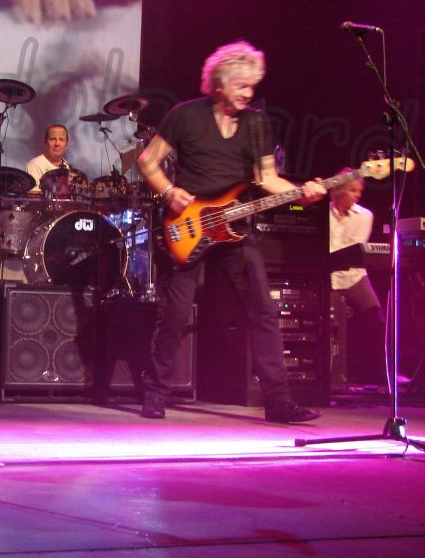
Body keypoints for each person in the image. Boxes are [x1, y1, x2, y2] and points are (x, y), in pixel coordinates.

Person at [136, 40, 326, 423]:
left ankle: (279, 402)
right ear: (219, 82)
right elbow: (147, 161)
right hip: (188, 226)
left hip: (235, 229)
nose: (248, 93)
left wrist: (300, 193)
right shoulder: (185, 115)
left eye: (252, 86)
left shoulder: (256, 123)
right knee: (174, 314)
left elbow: (266, 178)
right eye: (241, 85)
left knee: (263, 311)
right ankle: (155, 393)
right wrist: (170, 192)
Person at [329, 173, 387, 384]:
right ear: (338, 191)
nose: (358, 195)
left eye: (360, 191)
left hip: (354, 275)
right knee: (328, 324)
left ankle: (385, 373)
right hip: (327, 276)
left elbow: (354, 250)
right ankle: (330, 374)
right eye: (353, 190)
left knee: (377, 320)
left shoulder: (365, 215)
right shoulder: (323, 213)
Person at [25, 124, 73, 193]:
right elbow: (33, 196)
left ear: (66, 145)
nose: (57, 144)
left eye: (61, 139)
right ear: (46, 142)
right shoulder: (35, 165)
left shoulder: (68, 167)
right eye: (53, 139)